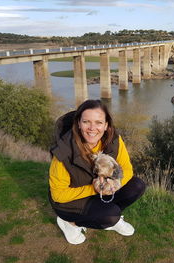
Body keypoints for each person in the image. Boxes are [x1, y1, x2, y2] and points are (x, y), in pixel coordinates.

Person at [48, 99, 146, 245]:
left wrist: (114, 184)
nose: (92, 128)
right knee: (110, 216)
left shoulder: (114, 140)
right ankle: (70, 223)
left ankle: (105, 212)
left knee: (137, 186)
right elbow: (58, 195)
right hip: (70, 202)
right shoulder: (63, 153)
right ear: (78, 124)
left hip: (100, 190)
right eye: (86, 122)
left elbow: (127, 169)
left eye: (99, 122)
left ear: (106, 125)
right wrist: (94, 189)